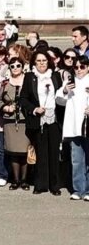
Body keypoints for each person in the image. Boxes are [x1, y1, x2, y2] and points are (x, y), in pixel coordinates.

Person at [19, 50, 64, 195]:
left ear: (49, 62)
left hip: (54, 118)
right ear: (34, 63)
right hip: (38, 119)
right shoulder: (29, 77)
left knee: (54, 152)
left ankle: (54, 185)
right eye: (38, 61)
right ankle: (40, 184)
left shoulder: (56, 76)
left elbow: (62, 95)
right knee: (41, 152)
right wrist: (34, 109)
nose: (41, 63)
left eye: (44, 60)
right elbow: (23, 99)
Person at [56, 55, 89, 200]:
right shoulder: (70, 82)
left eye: (82, 67)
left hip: (87, 125)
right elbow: (59, 100)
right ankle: (77, 189)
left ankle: (87, 190)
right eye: (76, 67)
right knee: (76, 159)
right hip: (74, 126)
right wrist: (64, 90)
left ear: (88, 67)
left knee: (88, 159)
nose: (79, 70)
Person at [0, 57, 31, 190]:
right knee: (13, 152)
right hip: (10, 121)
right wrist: (5, 108)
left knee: (24, 151)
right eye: (12, 66)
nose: (15, 68)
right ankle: (15, 180)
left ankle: (25, 180)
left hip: (25, 120)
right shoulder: (5, 83)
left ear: (22, 67)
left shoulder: (28, 81)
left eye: (18, 65)